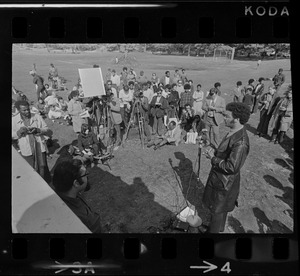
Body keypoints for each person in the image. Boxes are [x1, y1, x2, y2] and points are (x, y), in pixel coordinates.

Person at [202, 102, 251, 233]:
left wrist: (213, 159)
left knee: (217, 209)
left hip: (225, 182)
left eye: (227, 116)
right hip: (220, 178)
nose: (224, 118)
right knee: (219, 209)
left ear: (237, 119)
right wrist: (212, 149)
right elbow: (225, 153)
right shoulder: (233, 131)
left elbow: (231, 167)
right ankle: (218, 229)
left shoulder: (241, 142)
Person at [52, 159, 102, 233]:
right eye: (85, 174)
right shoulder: (77, 217)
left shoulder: (64, 194)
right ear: (76, 183)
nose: (87, 176)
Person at [12, 100, 51, 182]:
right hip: (26, 148)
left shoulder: (36, 116)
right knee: (30, 169)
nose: (27, 111)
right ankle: (34, 184)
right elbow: (12, 135)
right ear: (19, 110)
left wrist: (38, 130)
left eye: (28, 109)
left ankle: (47, 184)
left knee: (43, 166)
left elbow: (46, 128)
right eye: (24, 110)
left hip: (39, 147)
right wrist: (19, 132)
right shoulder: (14, 120)